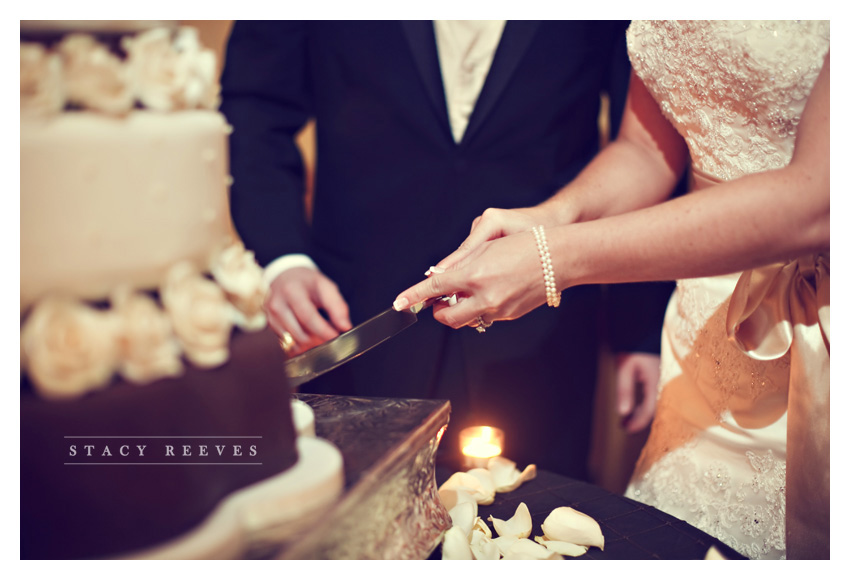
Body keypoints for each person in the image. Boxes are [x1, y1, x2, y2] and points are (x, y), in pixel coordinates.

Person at [394, 21, 829, 560]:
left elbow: (820, 200)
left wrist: (554, 259)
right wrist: (549, 220)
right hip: (702, 338)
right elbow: (645, 151)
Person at [220, 21, 673, 478]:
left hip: (543, 319)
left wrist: (637, 326)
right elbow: (258, 104)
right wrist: (282, 259)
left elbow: (643, 137)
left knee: (534, 525)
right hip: (356, 308)